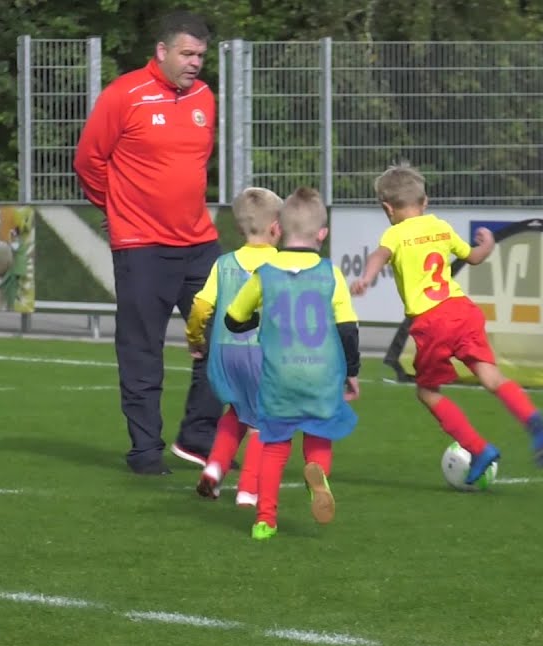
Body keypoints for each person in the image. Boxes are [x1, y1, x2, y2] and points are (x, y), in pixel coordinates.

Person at [73, 10, 222, 476]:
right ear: (162, 51)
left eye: (201, 54)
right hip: (142, 246)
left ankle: (197, 440)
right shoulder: (124, 94)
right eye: (187, 53)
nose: (195, 63)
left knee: (227, 339)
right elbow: (89, 162)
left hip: (200, 244)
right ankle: (144, 451)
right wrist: (117, 211)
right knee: (142, 350)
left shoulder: (205, 97)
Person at [350, 163, 543, 487]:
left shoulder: (395, 233)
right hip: (463, 311)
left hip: (432, 322)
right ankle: (531, 417)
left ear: (387, 208)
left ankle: (479, 448)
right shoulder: (440, 227)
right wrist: (488, 242)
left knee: (427, 392)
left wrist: (366, 278)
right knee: (491, 376)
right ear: (425, 201)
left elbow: (378, 255)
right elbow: (474, 257)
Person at [224, 187, 361, 540]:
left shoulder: (265, 272)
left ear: (278, 230)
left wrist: (258, 320)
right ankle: (317, 470)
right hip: (321, 374)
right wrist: (352, 373)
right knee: (319, 433)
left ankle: (265, 520)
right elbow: (348, 329)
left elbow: (233, 319)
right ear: (322, 234)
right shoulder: (331, 274)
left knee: (273, 446)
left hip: (278, 376)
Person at [184, 187, 283, 507]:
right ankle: (248, 489)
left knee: (238, 411)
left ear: (241, 227)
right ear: (275, 227)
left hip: (223, 353)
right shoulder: (280, 264)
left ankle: (213, 469)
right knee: (263, 420)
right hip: (259, 353)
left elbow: (200, 306)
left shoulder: (223, 263)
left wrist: (195, 339)